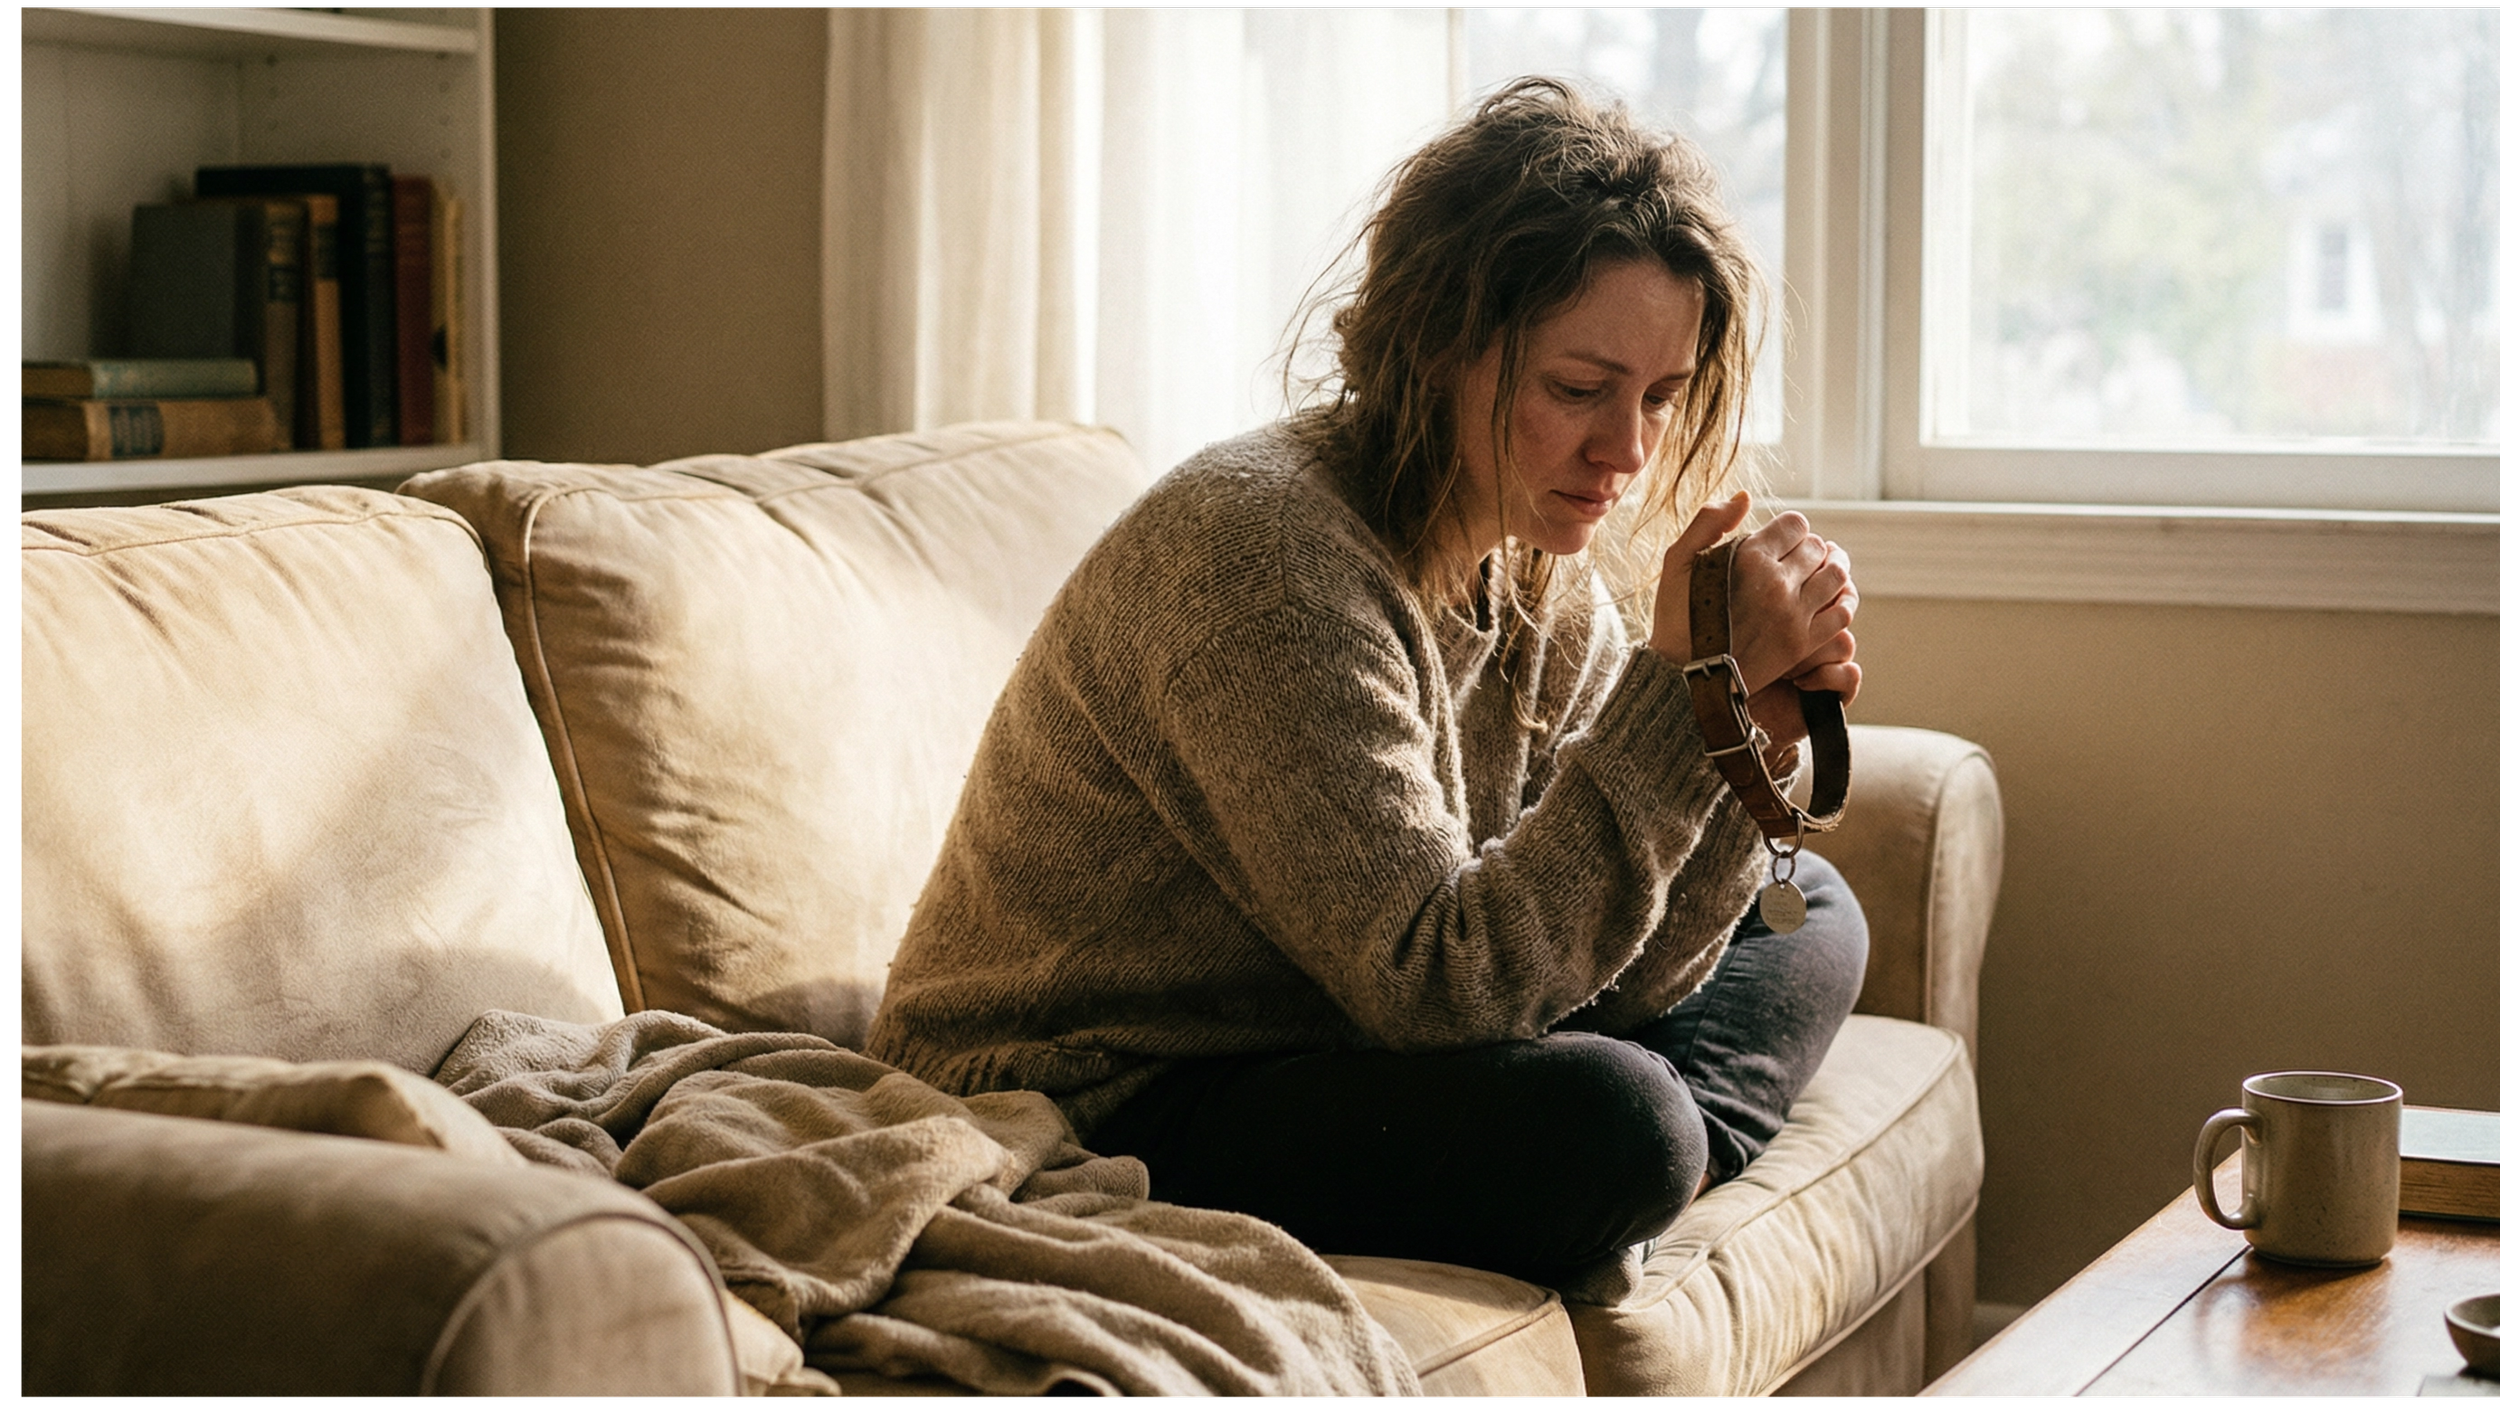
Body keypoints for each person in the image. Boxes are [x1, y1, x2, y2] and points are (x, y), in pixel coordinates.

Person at [864, 76, 1867, 1292]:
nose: (1628, 454)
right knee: (1621, 1120)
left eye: (1658, 398)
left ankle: (1617, 1184)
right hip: (1106, 1087)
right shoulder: (1263, 559)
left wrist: (1728, 734)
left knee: (1807, 908)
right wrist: (1670, 705)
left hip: (1342, 1039)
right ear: (1437, 342)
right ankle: (1625, 1174)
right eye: (1578, 389)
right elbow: (1444, 985)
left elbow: (1617, 972)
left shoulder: (1533, 569)